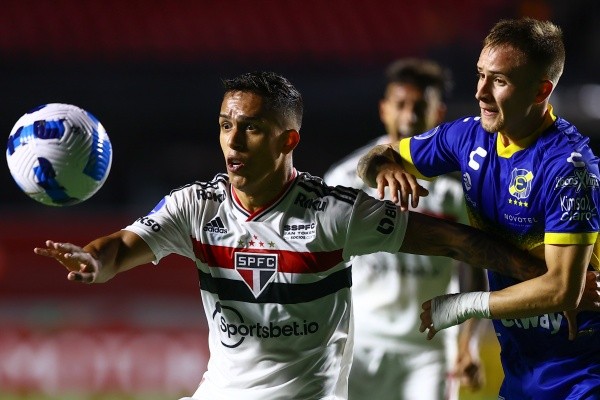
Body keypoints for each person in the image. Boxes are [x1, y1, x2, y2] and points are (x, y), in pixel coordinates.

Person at [35, 71, 552, 400]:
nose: (232, 142)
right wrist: (92, 260)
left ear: (288, 140)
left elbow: (461, 243)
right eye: (224, 125)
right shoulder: (196, 206)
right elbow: (121, 247)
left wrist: (554, 278)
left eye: (251, 129)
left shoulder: (335, 213)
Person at [357, 18, 600, 399]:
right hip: (522, 369)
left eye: (499, 81)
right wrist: (385, 167)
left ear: (541, 91)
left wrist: (463, 306)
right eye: (480, 75)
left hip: (581, 371)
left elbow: (563, 289)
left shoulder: (569, 169)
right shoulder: (467, 137)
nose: (481, 93)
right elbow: (376, 155)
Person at [324, 58, 485, 400]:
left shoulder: (457, 192)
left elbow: (474, 273)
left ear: (438, 113)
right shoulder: (344, 181)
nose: (409, 116)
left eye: (420, 106)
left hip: (427, 352)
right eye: (400, 105)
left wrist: (467, 343)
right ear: (384, 110)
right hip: (358, 346)